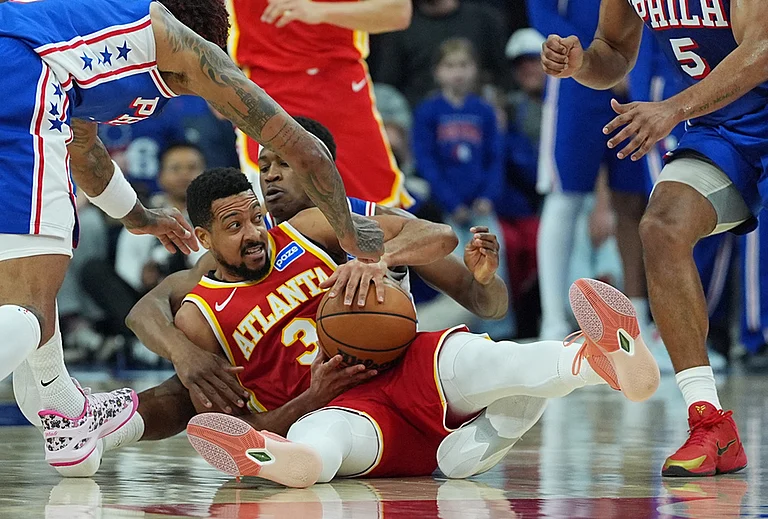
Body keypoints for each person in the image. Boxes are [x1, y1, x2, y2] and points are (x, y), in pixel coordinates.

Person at [1, 0, 381, 476]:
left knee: (23, 286)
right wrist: (354, 238)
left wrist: (138, 216)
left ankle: (65, 417)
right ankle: (63, 408)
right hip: (18, 76)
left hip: (20, 73)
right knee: (31, 308)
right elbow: (305, 149)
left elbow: (85, 153)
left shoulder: (81, 55)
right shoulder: (188, 48)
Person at [179, 167, 659, 486]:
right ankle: (291, 463)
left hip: (406, 359)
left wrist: (376, 259)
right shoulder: (199, 318)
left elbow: (438, 234)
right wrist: (312, 396)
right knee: (324, 437)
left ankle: (600, 359)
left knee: (492, 359)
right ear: (204, 237)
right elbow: (242, 423)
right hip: (337, 407)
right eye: (234, 226)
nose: (254, 234)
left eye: (255, 218)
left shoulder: (309, 228)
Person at [539, 0, 767, 476]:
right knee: (660, 228)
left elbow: (763, 47)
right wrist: (582, 63)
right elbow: (615, 51)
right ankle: (709, 422)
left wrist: (672, 108)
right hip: (723, 128)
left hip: (724, 106)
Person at [529, 0, 649, 342]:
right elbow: (541, 11)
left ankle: (638, 322)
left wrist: (629, 64)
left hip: (634, 72)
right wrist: (595, 58)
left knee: (635, 201)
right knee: (563, 196)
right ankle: (552, 323)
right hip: (574, 76)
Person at [228, 0, 414, 207]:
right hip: (267, 90)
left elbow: (398, 12)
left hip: (340, 88)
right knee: (275, 210)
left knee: (377, 208)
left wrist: (321, 11)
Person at [412, 38, 514, 338]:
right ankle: (465, 332)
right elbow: (426, 161)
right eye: (450, 66)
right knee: (457, 267)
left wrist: (488, 196)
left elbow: (496, 157)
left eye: (464, 65)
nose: (457, 73)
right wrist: (450, 201)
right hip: (450, 209)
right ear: (437, 72)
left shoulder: (483, 111)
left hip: (482, 206)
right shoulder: (428, 112)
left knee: (496, 262)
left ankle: (501, 330)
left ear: (475, 70)